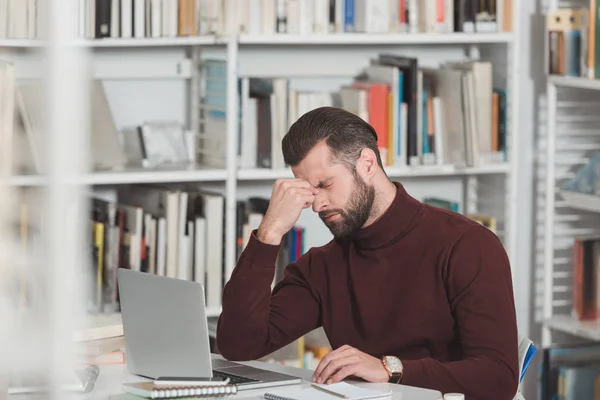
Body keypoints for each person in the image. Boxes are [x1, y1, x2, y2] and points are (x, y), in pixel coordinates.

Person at [216, 107, 519, 400]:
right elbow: (239, 345)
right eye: (308, 190)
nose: (317, 205)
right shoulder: (322, 266)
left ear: (368, 164)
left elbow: (499, 378)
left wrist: (390, 368)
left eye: (324, 184)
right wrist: (268, 235)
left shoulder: (467, 245)